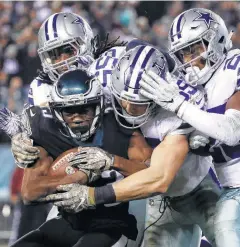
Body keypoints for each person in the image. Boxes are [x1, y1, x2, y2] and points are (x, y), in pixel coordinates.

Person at [41, 45, 221, 246]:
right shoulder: (103, 80)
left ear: (154, 98)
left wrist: (92, 195)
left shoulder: (173, 110)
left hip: (193, 186)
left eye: (136, 104)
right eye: (121, 99)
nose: (126, 109)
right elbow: (62, 101)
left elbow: (159, 178)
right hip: (151, 198)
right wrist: (24, 135)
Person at [139, 8, 240, 247]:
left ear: (215, 40)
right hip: (233, 191)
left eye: (195, 49)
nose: (189, 61)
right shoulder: (194, 92)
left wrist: (179, 106)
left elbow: (232, 129)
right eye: (183, 54)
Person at [9, 69, 152, 247]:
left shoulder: (120, 129)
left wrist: (112, 161)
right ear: (57, 113)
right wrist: (75, 178)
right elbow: (30, 193)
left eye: (84, 110)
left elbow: (152, 175)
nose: (77, 118)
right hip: (70, 222)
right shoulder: (47, 131)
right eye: (69, 112)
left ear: (98, 106)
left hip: (114, 224)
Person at [11, 12, 127, 167]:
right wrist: (23, 142)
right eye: (54, 56)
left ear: (86, 42)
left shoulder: (110, 64)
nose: (62, 62)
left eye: (69, 51)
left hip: (123, 151)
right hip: (76, 160)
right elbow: (38, 145)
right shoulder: (41, 88)